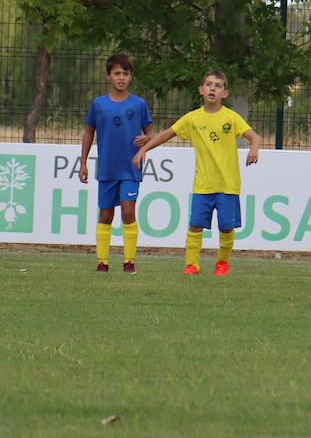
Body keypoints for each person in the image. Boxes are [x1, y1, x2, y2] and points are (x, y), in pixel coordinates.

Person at [131, 70, 261, 276]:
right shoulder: (193, 118)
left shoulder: (231, 117)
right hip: (203, 184)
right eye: (209, 84)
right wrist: (143, 150)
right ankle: (192, 265)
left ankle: (222, 264)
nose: (212, 88)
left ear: (224, 94)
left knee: (226, 228)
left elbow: (253, 136)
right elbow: (166, 134)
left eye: (218, 86)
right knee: (195, 225)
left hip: (228, 184)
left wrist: (254, 148)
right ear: (201, 90)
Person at [78, 53, 152, 273]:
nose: (121, 78)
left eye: (125, 74)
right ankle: (103, 262)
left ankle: (129, 261)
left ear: (130, 77)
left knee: (128, 212)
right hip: (107, 169)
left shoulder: (139, 104)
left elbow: (150, 133)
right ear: (108, 76)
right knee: (105, 214)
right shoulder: (98, 104)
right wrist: (83, 163)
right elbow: (89, 132)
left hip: (130, 168)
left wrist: (146, 140)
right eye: (117, 73)